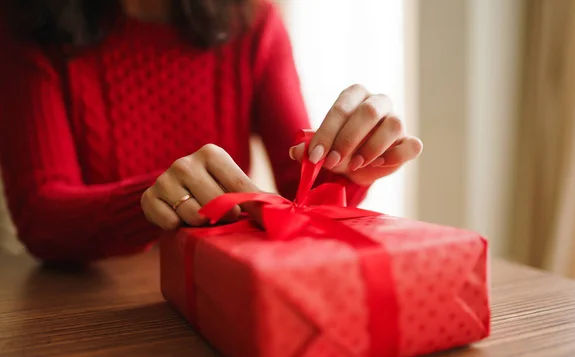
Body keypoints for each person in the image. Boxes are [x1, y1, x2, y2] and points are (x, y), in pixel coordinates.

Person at [0, 0, 422, 263]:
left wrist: (347, 166)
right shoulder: (29, 25)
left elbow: (300, 191)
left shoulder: (254, 23)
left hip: (217, 293)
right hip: (89, 319)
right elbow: (40, 214)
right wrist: (146, 202)